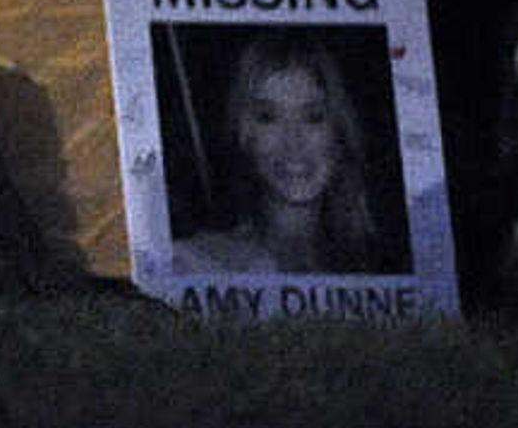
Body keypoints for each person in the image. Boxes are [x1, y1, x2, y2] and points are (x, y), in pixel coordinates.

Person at [170, 32, 402, 276]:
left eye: (313, 117)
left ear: (340, 131)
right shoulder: (198, 265)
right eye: (268, 118)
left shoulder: (386, 271)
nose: (293, 142)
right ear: (245, 136)